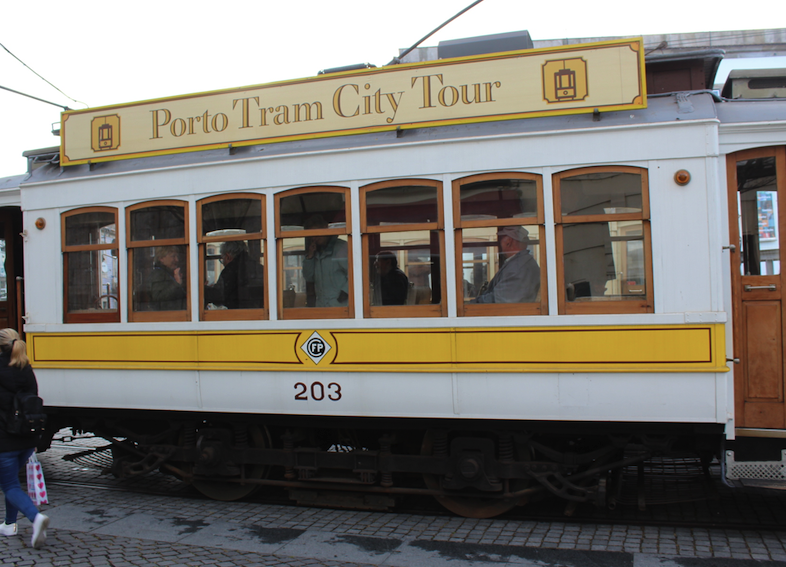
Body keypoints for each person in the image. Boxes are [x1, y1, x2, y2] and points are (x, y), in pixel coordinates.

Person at [0, 329, 49, 549]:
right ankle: (10, 525)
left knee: (9, 485)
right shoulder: (25, 368)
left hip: (5, 439)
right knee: (12, 482)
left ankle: (35, 517)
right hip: (27, 438)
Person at [474, 226, 540, 303]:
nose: (500, 244)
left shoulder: (519, 267)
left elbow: (500, 299)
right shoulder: (519, 263)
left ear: (509, 241)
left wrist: (474, 304)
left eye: (501, 240)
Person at [302, 216, 349, 307]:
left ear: (325, 229)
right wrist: (310, 257)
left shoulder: (341, 248)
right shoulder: (315, 252)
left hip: (341, 306)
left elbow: (355, 274)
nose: (314, 238)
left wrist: (345, 293)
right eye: (311, 235)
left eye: (317, 233)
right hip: (322, 305)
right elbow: (308, 277)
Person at [204, 241, 263, 309]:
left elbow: (219, 295)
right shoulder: (257, 266)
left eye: (222, 259)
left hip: (239, 313)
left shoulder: (230, 270)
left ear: (228, 257)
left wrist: (204, 290)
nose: (222, 263)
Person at [151, 246, 187, 311]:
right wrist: (176, 284)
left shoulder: (167, 273)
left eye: (176, 256)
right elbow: (157, 297)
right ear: (161, 258)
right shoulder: (158, 274)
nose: (176, 260)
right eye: (173, 256)